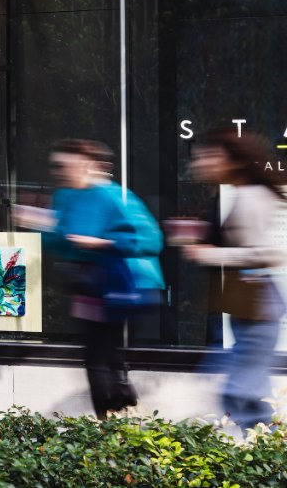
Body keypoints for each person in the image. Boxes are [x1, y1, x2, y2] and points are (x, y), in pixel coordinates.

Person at [46, 139, 165, 419]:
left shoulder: (114, 196)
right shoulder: (66, 196)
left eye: (66, 166)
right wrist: (42, 228)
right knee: (101, 356)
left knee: (100, 356)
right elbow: (60, 243)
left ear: (87, 165)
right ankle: (120, 415)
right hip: (90, 286)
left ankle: (113, 421)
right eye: (57, 166)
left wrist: (102, 243)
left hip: (122, 286)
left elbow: (151, 240)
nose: (60, 172)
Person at [183, 130, 285, 431]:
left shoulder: (252, 196)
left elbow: (269, 254)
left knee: (240, 394)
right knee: (247, 396)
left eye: (209, 157)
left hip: (258, 304)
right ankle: (267, 448)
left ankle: (267, 449)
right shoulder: (241, 193)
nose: (201, 163)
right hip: (248, 306)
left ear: (234, 161)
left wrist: (210, 255)